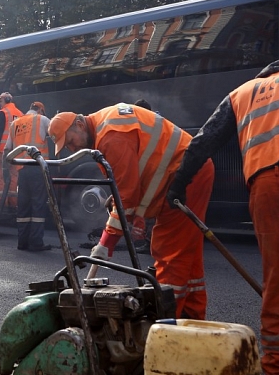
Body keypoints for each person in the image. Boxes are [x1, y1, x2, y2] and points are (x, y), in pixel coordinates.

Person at [167, 59, 279, 375]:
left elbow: (203, 140)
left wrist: (179, 183)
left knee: (276, 282)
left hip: (263, 188)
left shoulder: (240, 94)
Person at [48, 104, 215, 319]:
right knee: (187, 254)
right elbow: (135, 177)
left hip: (185, 177)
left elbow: (127, 196)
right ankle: (192, 321)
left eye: (70, 141)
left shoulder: (110, 136)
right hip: (187, 172)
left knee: (169, 252)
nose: (72, 149)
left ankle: (165, 325)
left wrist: (105, 244)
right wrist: (126, 206)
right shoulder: (105, 125)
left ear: (79, 125)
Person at [5, 101, 52, 251]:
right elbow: (56, 134)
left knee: (23, 207)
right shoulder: (42, 120)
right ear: (40, 110)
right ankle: (36, 242)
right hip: (38, 168)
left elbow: (7, 149)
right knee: (38, 205)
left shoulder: (15, 124)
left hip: (21, 170)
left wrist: (9, 169)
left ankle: (22, 242)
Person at [0, 92, 23, 207]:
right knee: (14, 176)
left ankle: (1, 203)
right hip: (16, 152)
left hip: (1, 150)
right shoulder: (20, 114)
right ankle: (14, 202)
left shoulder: (3, 113)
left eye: (1, 101)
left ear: (7, 100)